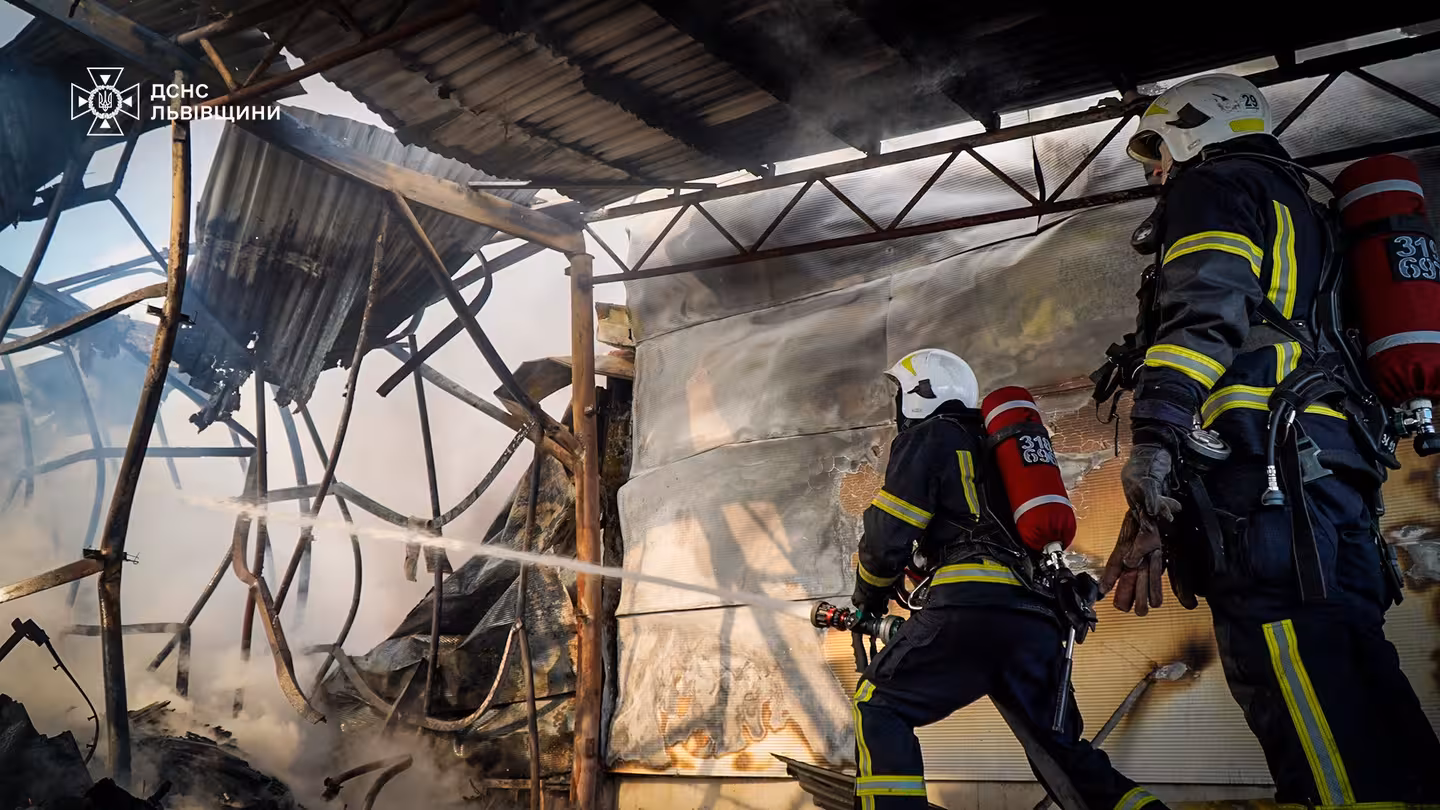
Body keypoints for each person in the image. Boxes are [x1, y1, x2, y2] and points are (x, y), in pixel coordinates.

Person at [1100, 73, 1440, 806]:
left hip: (1269, 474)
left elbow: (1206, 307)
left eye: (1157, 148)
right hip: (1337, 469)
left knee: (1290, 666)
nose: (1154, 171)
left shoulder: (1215, 186)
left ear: (1194, 129)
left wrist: (1157, 431)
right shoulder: (1308, 209)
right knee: (1356, 660)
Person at [851, 348, 1167, 810]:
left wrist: (869, 596)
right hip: (1037, 620)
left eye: (899, 394)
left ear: (919, 394)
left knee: (879, 705)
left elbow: (887, 534)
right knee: (1063, 753)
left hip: (969, 612)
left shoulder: (930, 435)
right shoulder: (1003, 449)